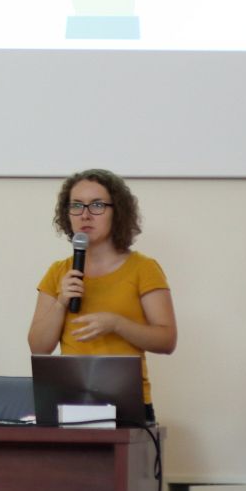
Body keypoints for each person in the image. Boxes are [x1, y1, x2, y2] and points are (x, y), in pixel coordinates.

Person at [28, 168, 177, 420]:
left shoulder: (143, 268)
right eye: (76, 205)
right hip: (70, 402)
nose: (85, 214)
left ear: (117, 212)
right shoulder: (59, 272)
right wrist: (61, 302)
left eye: (97, 205)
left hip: (127, 403)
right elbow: (38, 347)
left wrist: (117, 324)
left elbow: (167, 340)